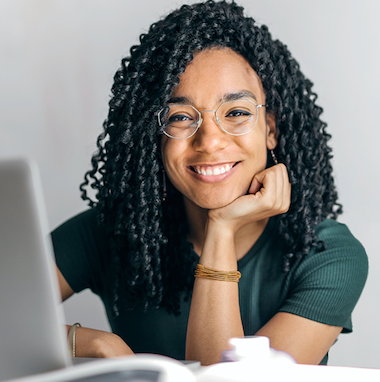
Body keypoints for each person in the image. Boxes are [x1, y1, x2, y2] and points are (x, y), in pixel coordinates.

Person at [51, 0, 368, 366]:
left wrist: (221, 228)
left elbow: (228, 381)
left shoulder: (327, 255)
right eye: (182, 117)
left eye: (236, 113)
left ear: (271, 129)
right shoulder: (111, 231)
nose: (210, 141)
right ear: (154, 135)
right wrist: (94, 344)